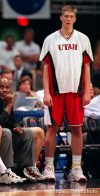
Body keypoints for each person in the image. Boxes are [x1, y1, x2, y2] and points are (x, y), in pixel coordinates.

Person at [39, 5, 93, 182]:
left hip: (76, 92)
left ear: (75, 19)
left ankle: (76, 169)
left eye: (71, 16)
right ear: (61, 18)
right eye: (66, 16)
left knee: (77, 128)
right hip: (55, 92)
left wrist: (87, 90)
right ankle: (49, 167)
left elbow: (86, 66)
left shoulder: (83, 39)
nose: (68, 19)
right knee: (52, 128)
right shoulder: (50, 39)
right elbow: (46, 67)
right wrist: (46, 92)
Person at [0, 77, 45, 181]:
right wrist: (9, 105)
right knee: (7, 132)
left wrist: (17, 126)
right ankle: (6, 170)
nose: (4, 90)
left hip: (8, 134)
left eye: (7, 87)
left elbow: (12, 121)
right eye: (1, 87)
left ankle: (29, 167)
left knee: (36, 132)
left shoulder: (8, 100)